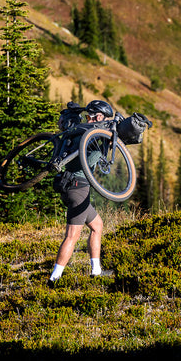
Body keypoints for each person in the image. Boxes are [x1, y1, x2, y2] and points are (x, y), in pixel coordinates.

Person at [48, 99, 113, 285]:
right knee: (72, 236)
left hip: (69, 185)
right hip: (79, 188)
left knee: (97, 226)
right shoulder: (92, 136)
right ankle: (54, 278)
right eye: (104, 118)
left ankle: (96, 270)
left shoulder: (79, 131)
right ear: (98, 117)